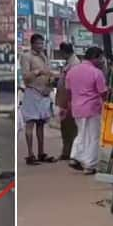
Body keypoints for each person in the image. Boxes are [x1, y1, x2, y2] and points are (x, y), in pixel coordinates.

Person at [65, 46, 108, 175]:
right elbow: (103, 93)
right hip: (92, 108)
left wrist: (70, 104)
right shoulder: (96, 73)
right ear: (95, 57)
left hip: (77, 108)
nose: (102, 61)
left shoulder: (72, 71)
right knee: (93, 137)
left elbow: (68, 91)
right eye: (101, 58)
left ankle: (75, 157)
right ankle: (90, 165)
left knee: (81, 133)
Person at [20, 33, 58, 165]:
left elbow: (49, 72)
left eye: (42, 43)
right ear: (32, 44)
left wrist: (52, 79)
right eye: (38, 43)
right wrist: (37, 72)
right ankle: (30, 154)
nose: (40, 46)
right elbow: (26, 77)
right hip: (32, 93)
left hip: (44, 94)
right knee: (30, 124)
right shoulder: (26, 56)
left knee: (41, 125)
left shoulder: (44, 56)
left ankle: (41, 152)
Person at [54, 42, 80, 160]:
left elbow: (73, 85)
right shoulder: (68, 62)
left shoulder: (74, 64)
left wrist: (70, 102)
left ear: (64, 52)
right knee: (65, 127)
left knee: (71, 128)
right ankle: (66, 151)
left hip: (70, 100)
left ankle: (71, 153)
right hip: (64, 99)